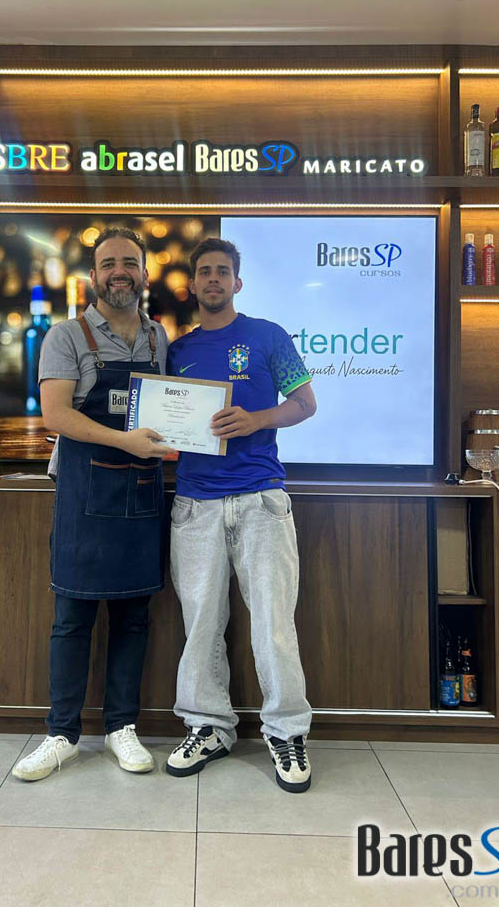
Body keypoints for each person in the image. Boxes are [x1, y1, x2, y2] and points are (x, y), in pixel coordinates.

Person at [13, 227, 169, 782]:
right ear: (94, 276)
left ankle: (122, 727)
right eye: (109, 264)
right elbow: (56, 415)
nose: (119, 272)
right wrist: (125, 440)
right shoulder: (66, 336)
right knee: (72, 618)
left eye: (129, 262)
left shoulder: (158, 336)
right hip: (85, 492)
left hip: (142, 490)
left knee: (133, 616)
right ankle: (61, 734)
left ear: (144, 274)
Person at [165, 237, 316, 793]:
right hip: (195, 504)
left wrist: (256, 420)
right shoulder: (176, 351)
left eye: (222, 271)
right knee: (201, 624)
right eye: (204, 271)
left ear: (237, 282)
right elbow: (165, 419)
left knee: (274, 624)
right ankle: (208, 727)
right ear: (192, 284)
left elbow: (305, 404)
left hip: (260, 499)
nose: (213, 279)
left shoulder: (268, 336)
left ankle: (287, 732)